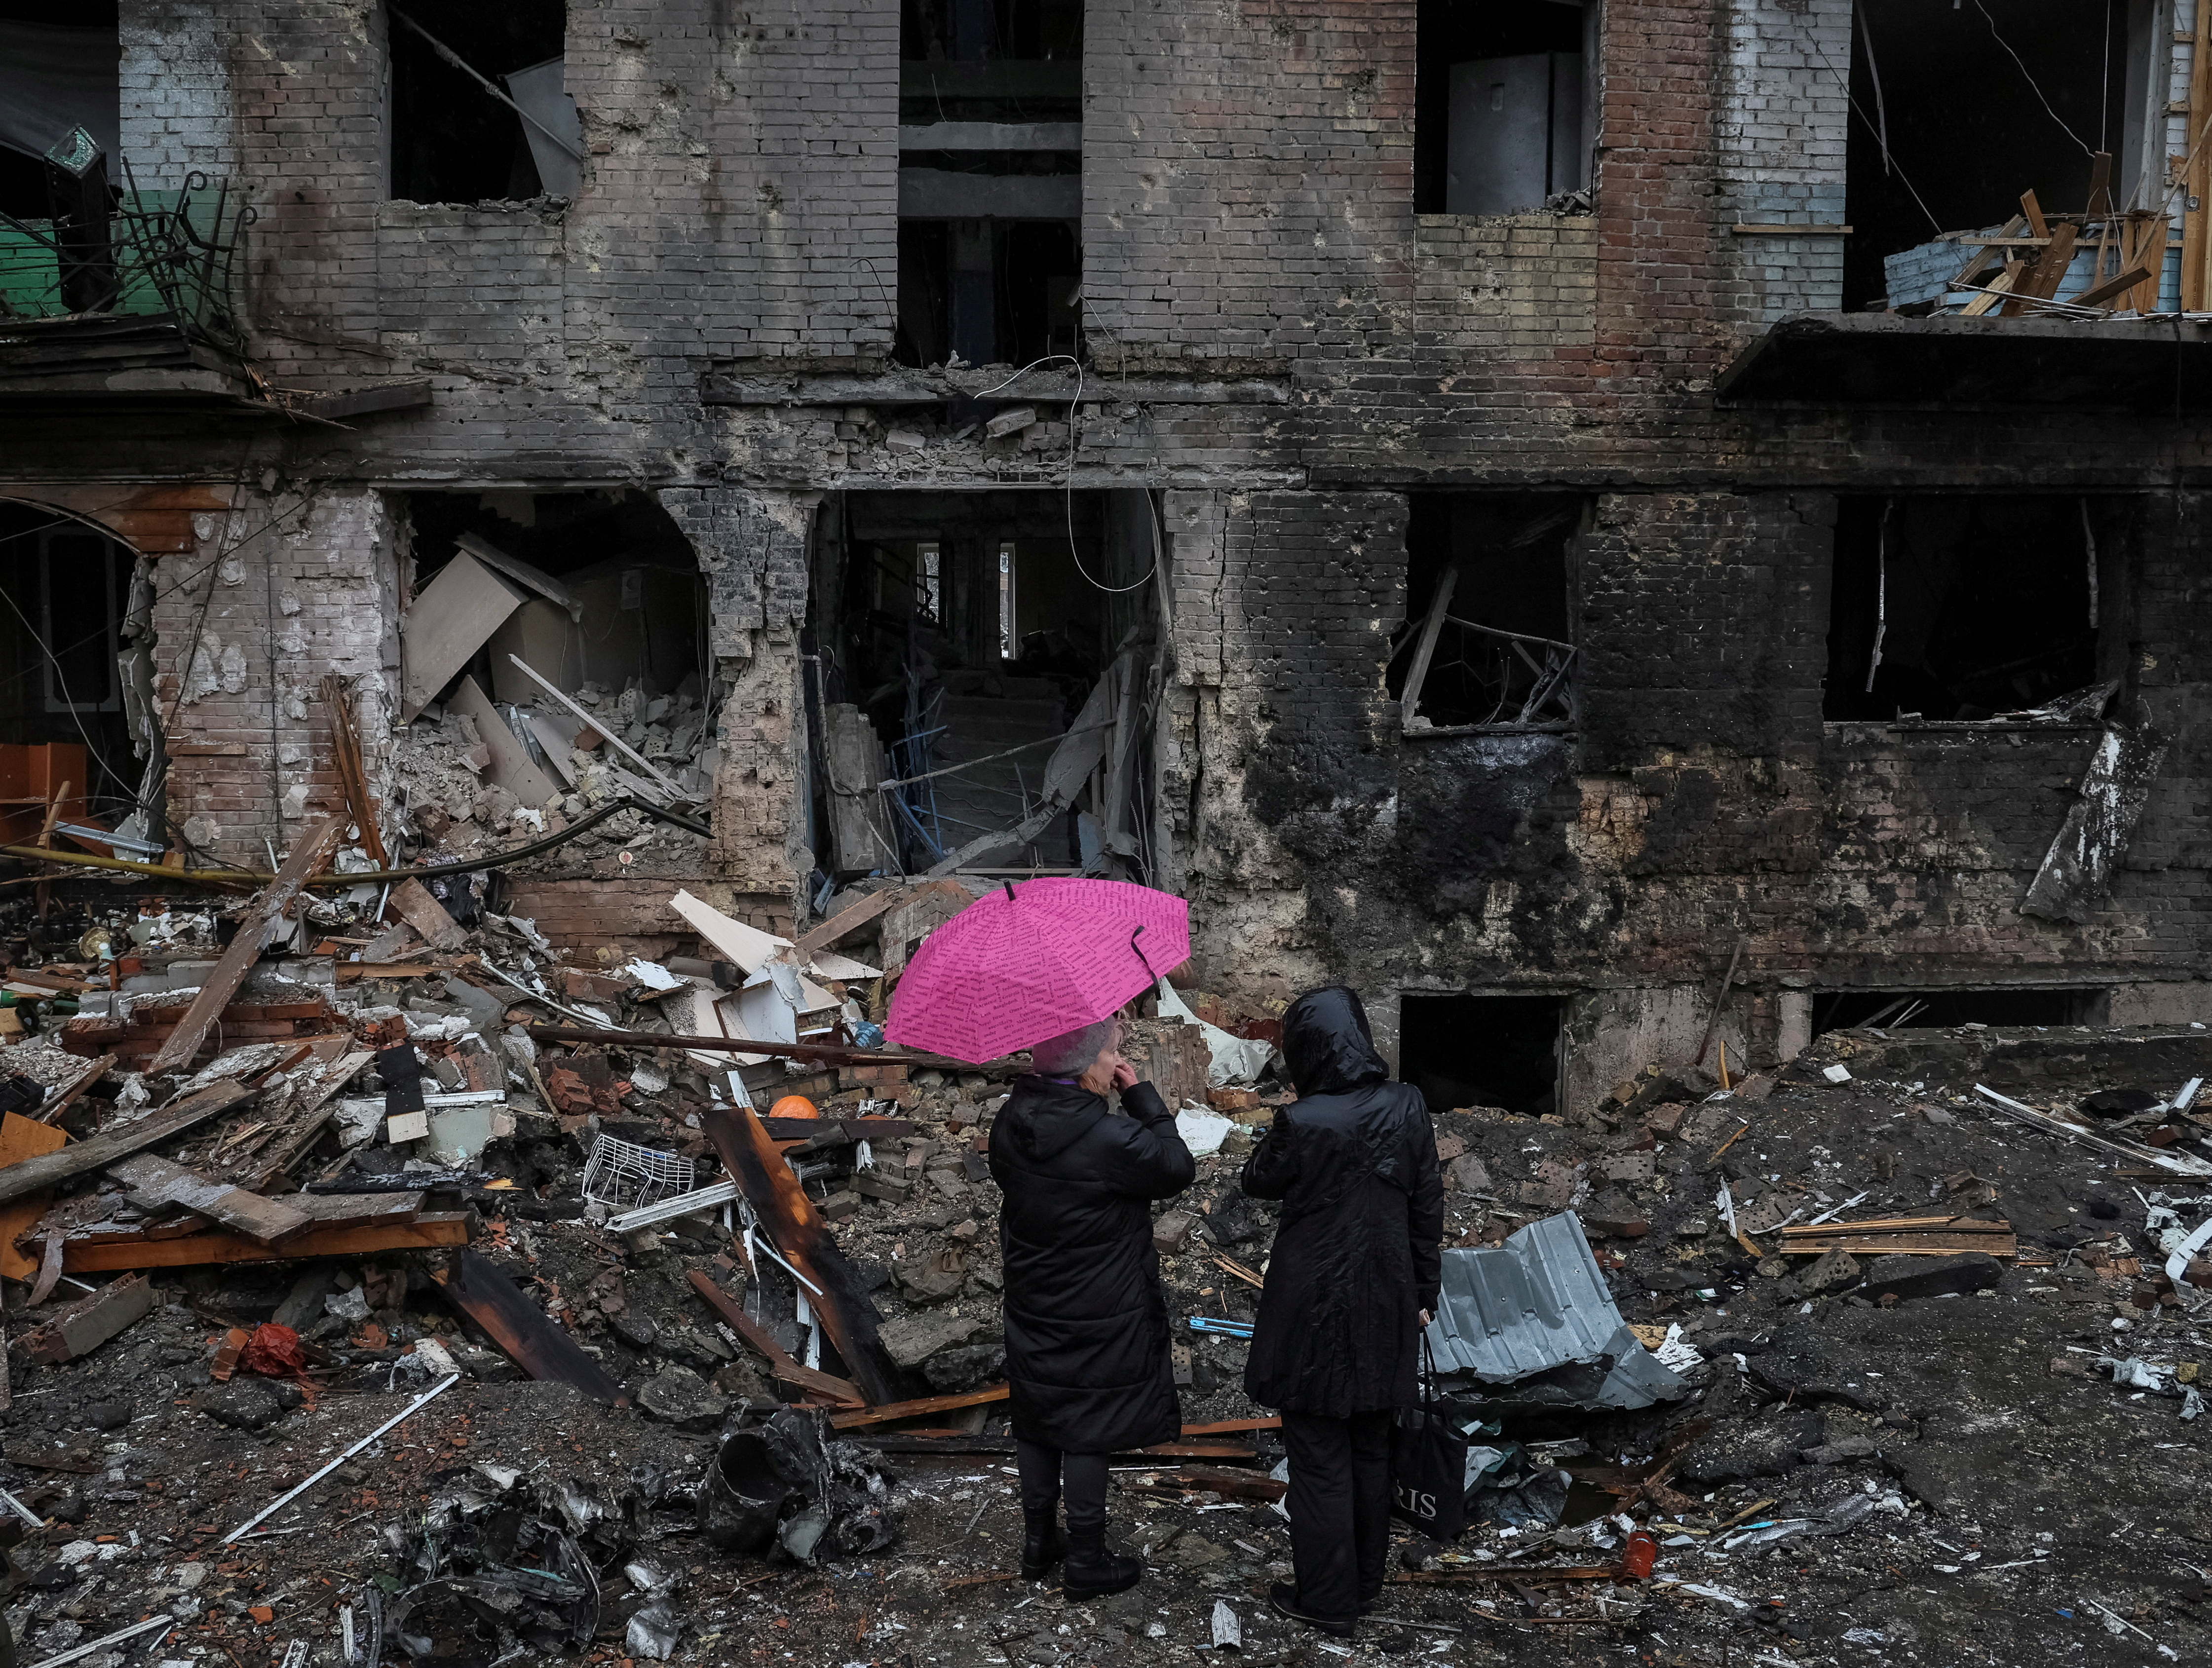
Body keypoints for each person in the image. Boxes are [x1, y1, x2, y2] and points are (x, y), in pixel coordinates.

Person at [1240, 986, 1444, 1637]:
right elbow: (1426, 1205)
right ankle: (1363, 1583)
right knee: (1368, 1446)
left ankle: (1327, 1600)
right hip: (1387, 1300)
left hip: (1314, 1308)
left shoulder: (1304, 1122)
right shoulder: (1407, 1104)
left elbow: (1256, 1181)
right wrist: (1424, 1294)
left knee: (1319, 1453)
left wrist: (1287, 1118)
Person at [988, 1013, 1196, 1598]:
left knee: (1039, 1412)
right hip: (1100, 1301)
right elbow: (1178, 1167)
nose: (1117, 1064)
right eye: (1111, 1054)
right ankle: (1086, 1557)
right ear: (1084, 1066)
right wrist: (1143, 1097)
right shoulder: (1108, 1139)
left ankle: (1037, 1543)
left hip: (1034, 1293)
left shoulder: (1011, 1119)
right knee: (1086, 1425)